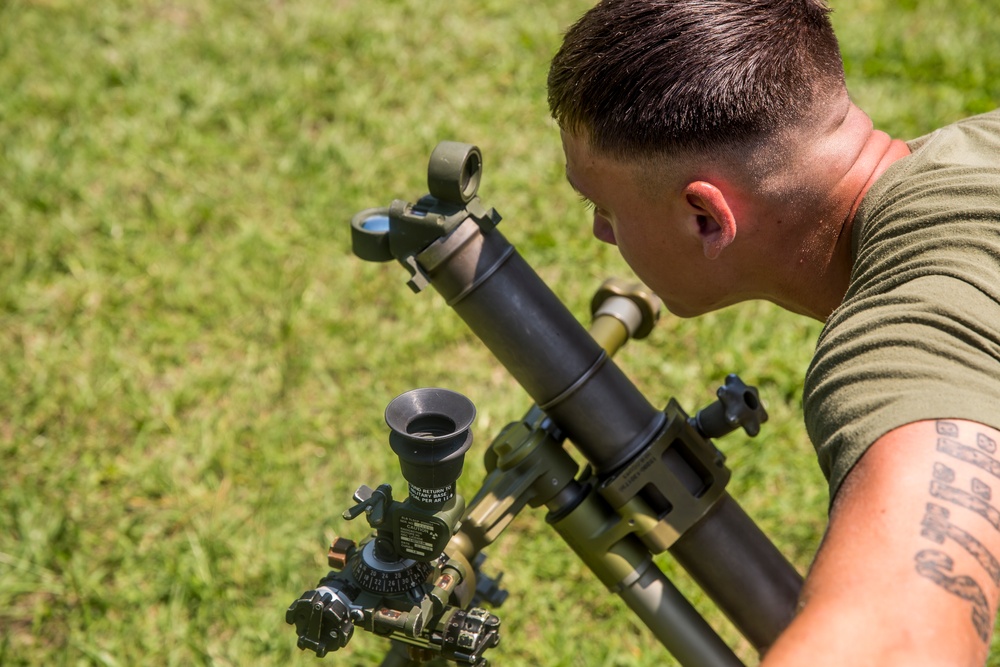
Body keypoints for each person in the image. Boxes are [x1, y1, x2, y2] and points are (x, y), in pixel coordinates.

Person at [547, 0, 1000, 665]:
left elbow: (895, 640)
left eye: (604, 206)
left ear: (706, 216)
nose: (600, 233)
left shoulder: (909, 334)